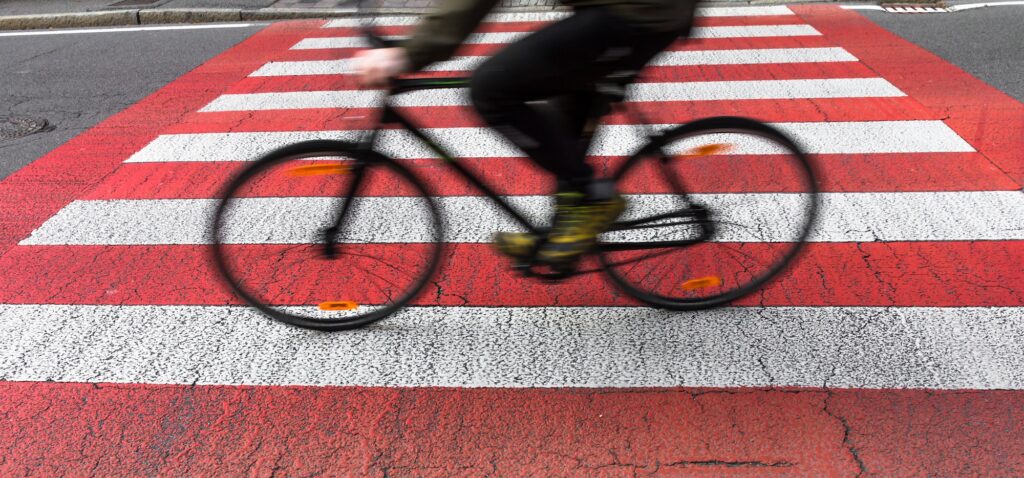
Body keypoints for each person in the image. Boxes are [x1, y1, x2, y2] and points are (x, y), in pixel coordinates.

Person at [356, 0, 696, 266]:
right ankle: (563, 232)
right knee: (567, 108)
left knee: (491, 86)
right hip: (626, 10)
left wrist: (410, 53)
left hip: (640, 12)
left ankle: (595, 198)